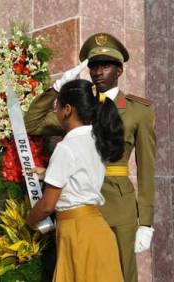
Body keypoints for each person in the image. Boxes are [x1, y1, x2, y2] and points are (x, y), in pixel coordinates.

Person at [25, 33, 156, 282]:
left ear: (119, 69)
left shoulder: (139, 111)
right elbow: (31, 123)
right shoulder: (79, 107)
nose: (97, 72)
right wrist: (56, 88)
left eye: (105, 65)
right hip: (79, 209)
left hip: (118, 205)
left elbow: (147, 169)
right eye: (93, 66)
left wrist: (146, 222)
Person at [26, 79, 124, 281]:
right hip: (97, 228)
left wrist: (29, 221)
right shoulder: (97, 139)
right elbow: (81, 174)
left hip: (77, 233)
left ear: (67, 109)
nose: (56, 112)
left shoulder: (66, 146)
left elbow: (47, 205)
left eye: (57, 107)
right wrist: (48, 173)